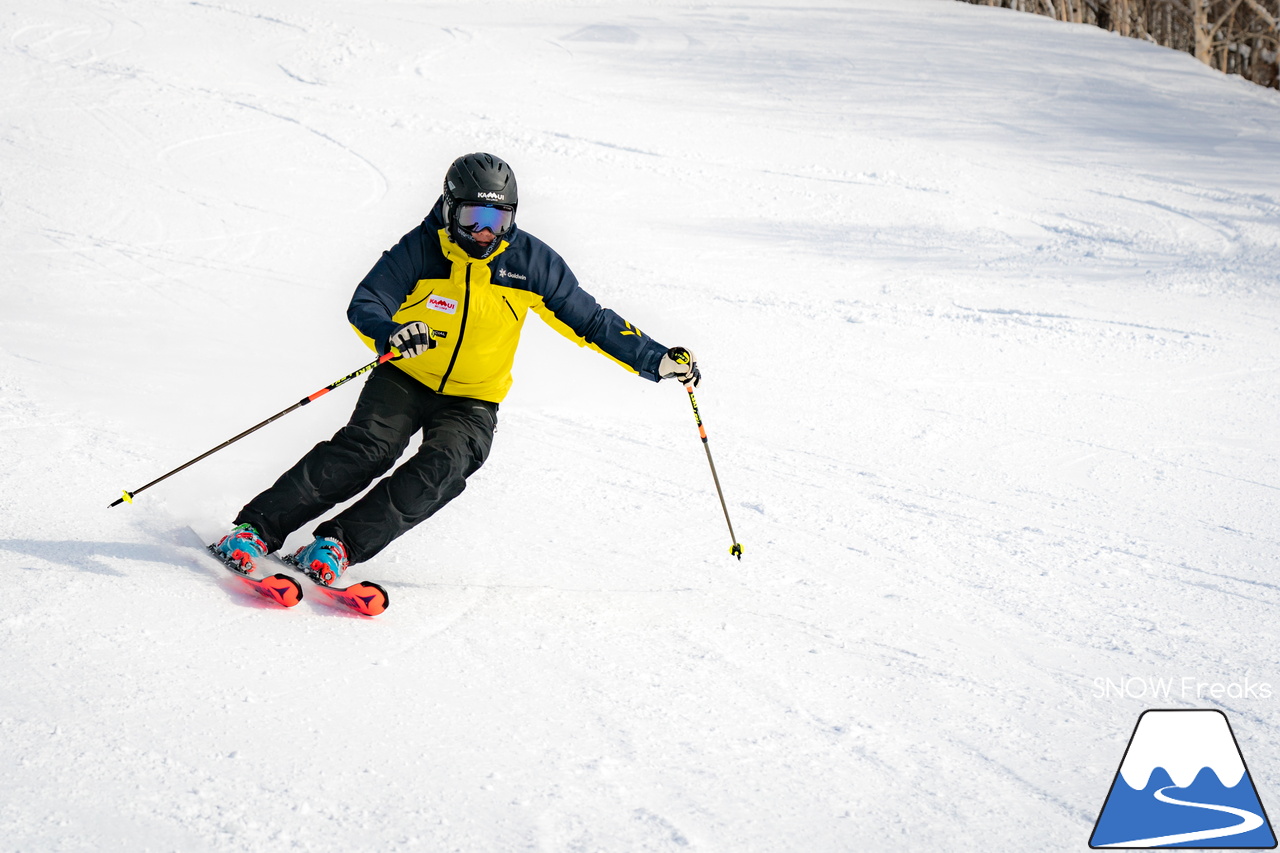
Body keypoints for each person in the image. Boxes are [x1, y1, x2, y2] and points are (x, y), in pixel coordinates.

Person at [211, 152, 700, 585]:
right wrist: (391, 334)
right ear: (449, 209)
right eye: (473, 216)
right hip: (406, 375)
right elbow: (369, 300)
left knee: (447, 465)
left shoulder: (531, 262)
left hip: (474, 396)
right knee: (368, 450)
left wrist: (654, 357)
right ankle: (258, 529)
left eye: (498, 218)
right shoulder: (421, 248)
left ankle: (339, 544)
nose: (485, 231)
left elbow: (590, 320)